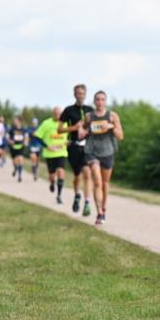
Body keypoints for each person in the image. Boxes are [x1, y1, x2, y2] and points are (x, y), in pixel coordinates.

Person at [83, 91, 124, 226]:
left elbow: (120, 136)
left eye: (102, 100)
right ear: (94, 102)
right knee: (97, 181)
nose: (100, 102)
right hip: (92, 151)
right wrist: (82, 132)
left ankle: (104, 208)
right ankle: (99, 212)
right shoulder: (89, 116)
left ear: (105, 101)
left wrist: (111, 126)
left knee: (105, 183)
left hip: (108, 151)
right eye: (98, 100)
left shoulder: (112, 116)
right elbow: (81, 132)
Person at [59, 84, 94, 217]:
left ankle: (86, 202)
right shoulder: (68, 110)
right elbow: (59, 129)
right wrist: (74, 128)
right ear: (74, 95)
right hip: (73, 145)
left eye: (83, 93)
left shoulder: (90, 110)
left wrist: (87, 130)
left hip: (87, 146)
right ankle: (77, 196)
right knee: (77, 175)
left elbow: (94, 127)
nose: (81, 96)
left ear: (85, 95)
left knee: (87, 173)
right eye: (78, 93)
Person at [35, 107, 69, 204]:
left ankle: (59, 195)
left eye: (60, 114)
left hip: (62, 152)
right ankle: (52, 182)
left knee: (61, 171)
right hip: (50, 154)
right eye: (56, 114)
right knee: (52, 175)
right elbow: (37, 137)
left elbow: (71, 135)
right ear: (52, 114)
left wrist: (68, 141)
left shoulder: (66, 123)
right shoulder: (46, 123)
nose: (58, 116)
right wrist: (47, 146)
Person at [7, 116, 31, 182]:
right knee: (15, 162)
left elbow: (26, 137)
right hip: (13, 147)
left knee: (20, 159)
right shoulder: (11, 129)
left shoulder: (24, 129)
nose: (14, 122)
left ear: (19, 121)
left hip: (21, 146)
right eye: (14, 121)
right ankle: (15, 169)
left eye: (15, 121)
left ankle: (20, 176)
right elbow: (7, 137)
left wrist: (26, 142)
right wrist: (10, 141)